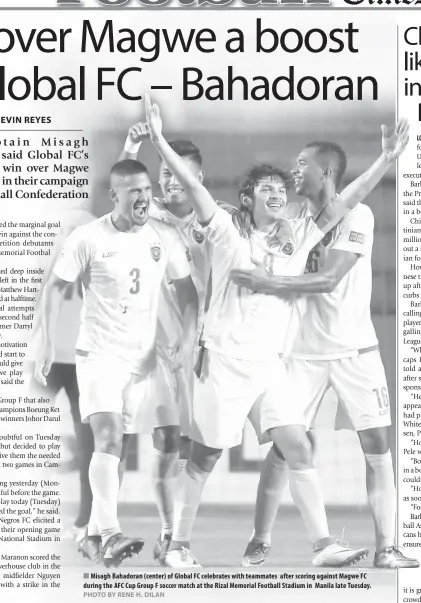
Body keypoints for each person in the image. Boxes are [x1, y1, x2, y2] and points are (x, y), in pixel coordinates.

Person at [144, 95, 405, 568]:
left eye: (281, 187)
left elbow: (349, 200)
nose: (278, 192)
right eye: (266, 188)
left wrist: (386, 159)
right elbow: (192, 188)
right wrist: (160, 141)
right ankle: (177, 545)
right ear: (248, 198)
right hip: (223, 362)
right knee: (204, 459)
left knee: (299, 445)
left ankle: (323, 546)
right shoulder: (224, 229)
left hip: (268, 368)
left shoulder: (299, 232)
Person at [230, 126, 419, 569]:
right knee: (285, 449)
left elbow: (330, 278)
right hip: (302, 353)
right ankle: (260, 537)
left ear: (327, 171)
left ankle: (387, 547)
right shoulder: (292, 220)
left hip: (356, 351)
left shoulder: (360, 216)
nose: (294, 170)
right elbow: (252, 227)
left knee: (377, 444)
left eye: (302, 164)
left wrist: (269, 281)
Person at [34, 159, 198, 568]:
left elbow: (188, 291)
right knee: (106, 437)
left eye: (146, 190)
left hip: (140, 361)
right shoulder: (88, 237)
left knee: (118, 447)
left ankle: (92, 536)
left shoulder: (164, 236)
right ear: (115, 195)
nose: (143, 197)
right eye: (134, 191)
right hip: (98, 355)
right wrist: (46, 341)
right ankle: (108, 534)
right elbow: (55, 288)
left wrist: (186, 335)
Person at [119, 127, 215, 562]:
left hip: (204, 348)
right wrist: (132, 147)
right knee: (164, 440)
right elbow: (122, 193)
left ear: (199, 177)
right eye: (165, 174)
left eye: (180, 175)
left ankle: (179, 531)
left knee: (197, 447)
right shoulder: (148, 216)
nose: (171, 181)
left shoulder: (217, 219)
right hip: (157, 348)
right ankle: (169, 532)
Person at [29, 207, 95, 544]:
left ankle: (85, 521)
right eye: (68, 228)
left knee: (89, 446)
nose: (72, 234)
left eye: (79, 228)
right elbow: (34, 301)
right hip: (46, 359)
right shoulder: (50, 258)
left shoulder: (99, 262)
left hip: (85, 362)